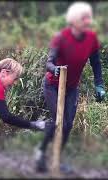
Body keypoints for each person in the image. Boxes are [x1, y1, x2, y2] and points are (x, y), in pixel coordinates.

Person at [34, 2, 106, 173]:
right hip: (53, 86)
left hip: (72, 87)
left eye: (89, 17)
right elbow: (49, 62)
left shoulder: (91, 39)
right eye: (84, 18)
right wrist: (55, 69)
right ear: (73, 20)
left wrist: (99, 85)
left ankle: (56, 158)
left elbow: (96, 64)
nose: (88, 21)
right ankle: (41, 153)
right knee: (59, 122)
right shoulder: (61, 37)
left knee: (68, 125)